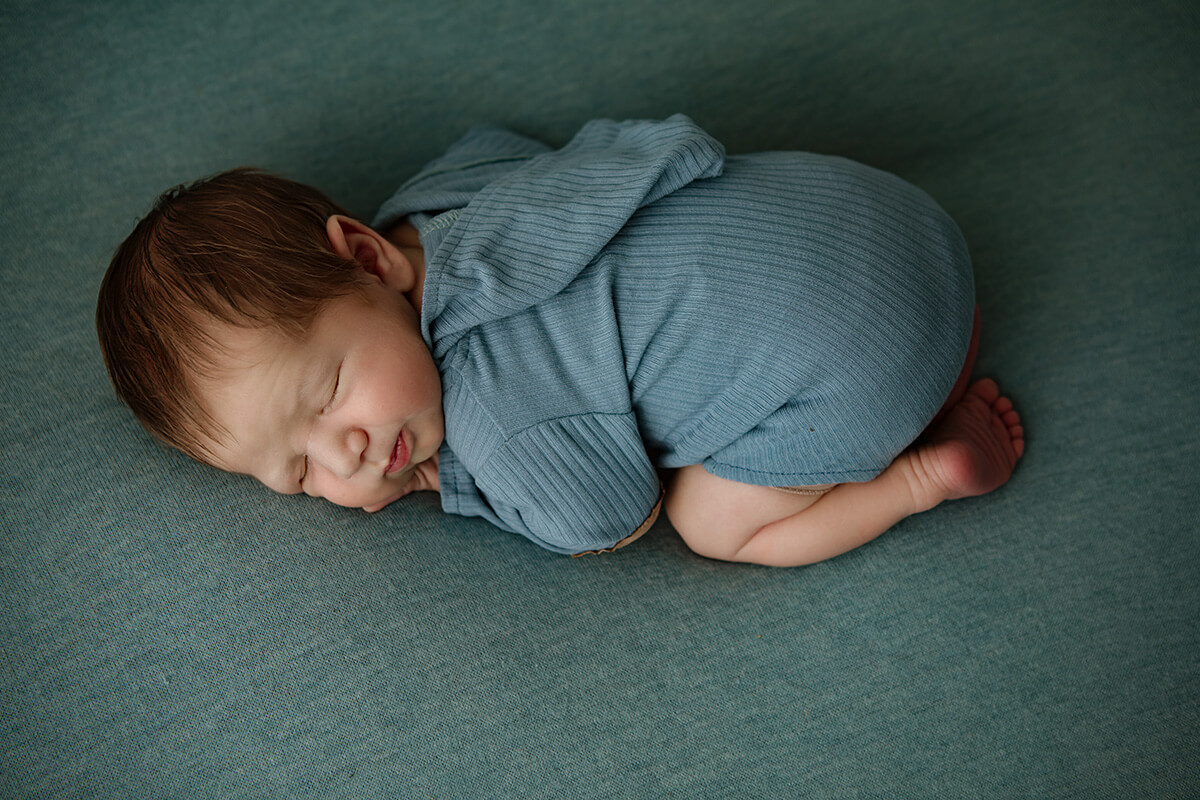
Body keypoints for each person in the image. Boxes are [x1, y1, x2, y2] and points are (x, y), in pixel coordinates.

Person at [96, 115, 1023, 566]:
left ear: (368, 259)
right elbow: (515, 144)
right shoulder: (441, 197)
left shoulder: (500, 421)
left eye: (328, 393)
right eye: (299, 474)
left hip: (867, 360)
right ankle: (936, 343)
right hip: (898, 221)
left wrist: (444, 481)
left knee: (713, 526)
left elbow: (613, 516)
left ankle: (915, 473)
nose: (345, 456)